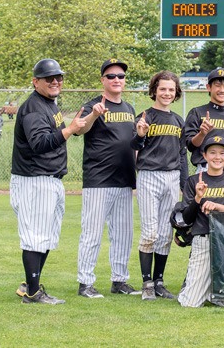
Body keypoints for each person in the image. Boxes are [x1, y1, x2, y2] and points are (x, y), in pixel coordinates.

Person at [11, 58, 87, 304]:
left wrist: (73, 127)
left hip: (48, 179)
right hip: (34, 180)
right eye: (49, 78)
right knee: (35, 236)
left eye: (58, 77)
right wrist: (70, 129)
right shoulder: (34, 107)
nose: (55, 81)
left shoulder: (49, 104)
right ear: (36, 82)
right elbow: (40, 143)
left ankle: (29, 285)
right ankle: (33, 293)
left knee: (46, 236)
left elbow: (54, 136)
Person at [76, 59, 140, 299]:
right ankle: (85, 283)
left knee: (123, 234)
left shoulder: (129, 109)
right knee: (92, 233)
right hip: (98, 179)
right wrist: (93, 115)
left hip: (124, 178)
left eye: (121, 76)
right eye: (111, 76)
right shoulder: (92, 105)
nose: (116, 80)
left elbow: (133, 143)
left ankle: (119, 280)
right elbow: (79, 129)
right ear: (102, 80)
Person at [131, 70, 188, 301]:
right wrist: (141, 135)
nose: (166, 93)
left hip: (172, 177)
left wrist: (185, 185)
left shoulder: (177, 120)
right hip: (149, 175)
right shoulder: (145, 116)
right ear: (154, 90)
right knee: (150, 232)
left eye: (171, 90)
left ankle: (159, 281)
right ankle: (146, 283)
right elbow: (133, 145)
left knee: (165, 233)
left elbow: (182, 154)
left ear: (176, 93)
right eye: (162, 88)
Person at [176, 136, 224, 307]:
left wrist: (217, 206)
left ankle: (209, 288)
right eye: (212, 152)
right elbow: (186, 219)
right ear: (204, 156)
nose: (217, 157)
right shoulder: (194, 180)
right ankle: (194, 285)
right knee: (190, 303)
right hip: (204, 237)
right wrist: (198, 198)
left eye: (222, 153)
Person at [184, 68, 224, 173]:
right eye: (217, 85)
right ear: (208, 87)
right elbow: (190, 146)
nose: (222, 90)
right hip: (204, 168)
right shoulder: (197, 112)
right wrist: (202, 133)